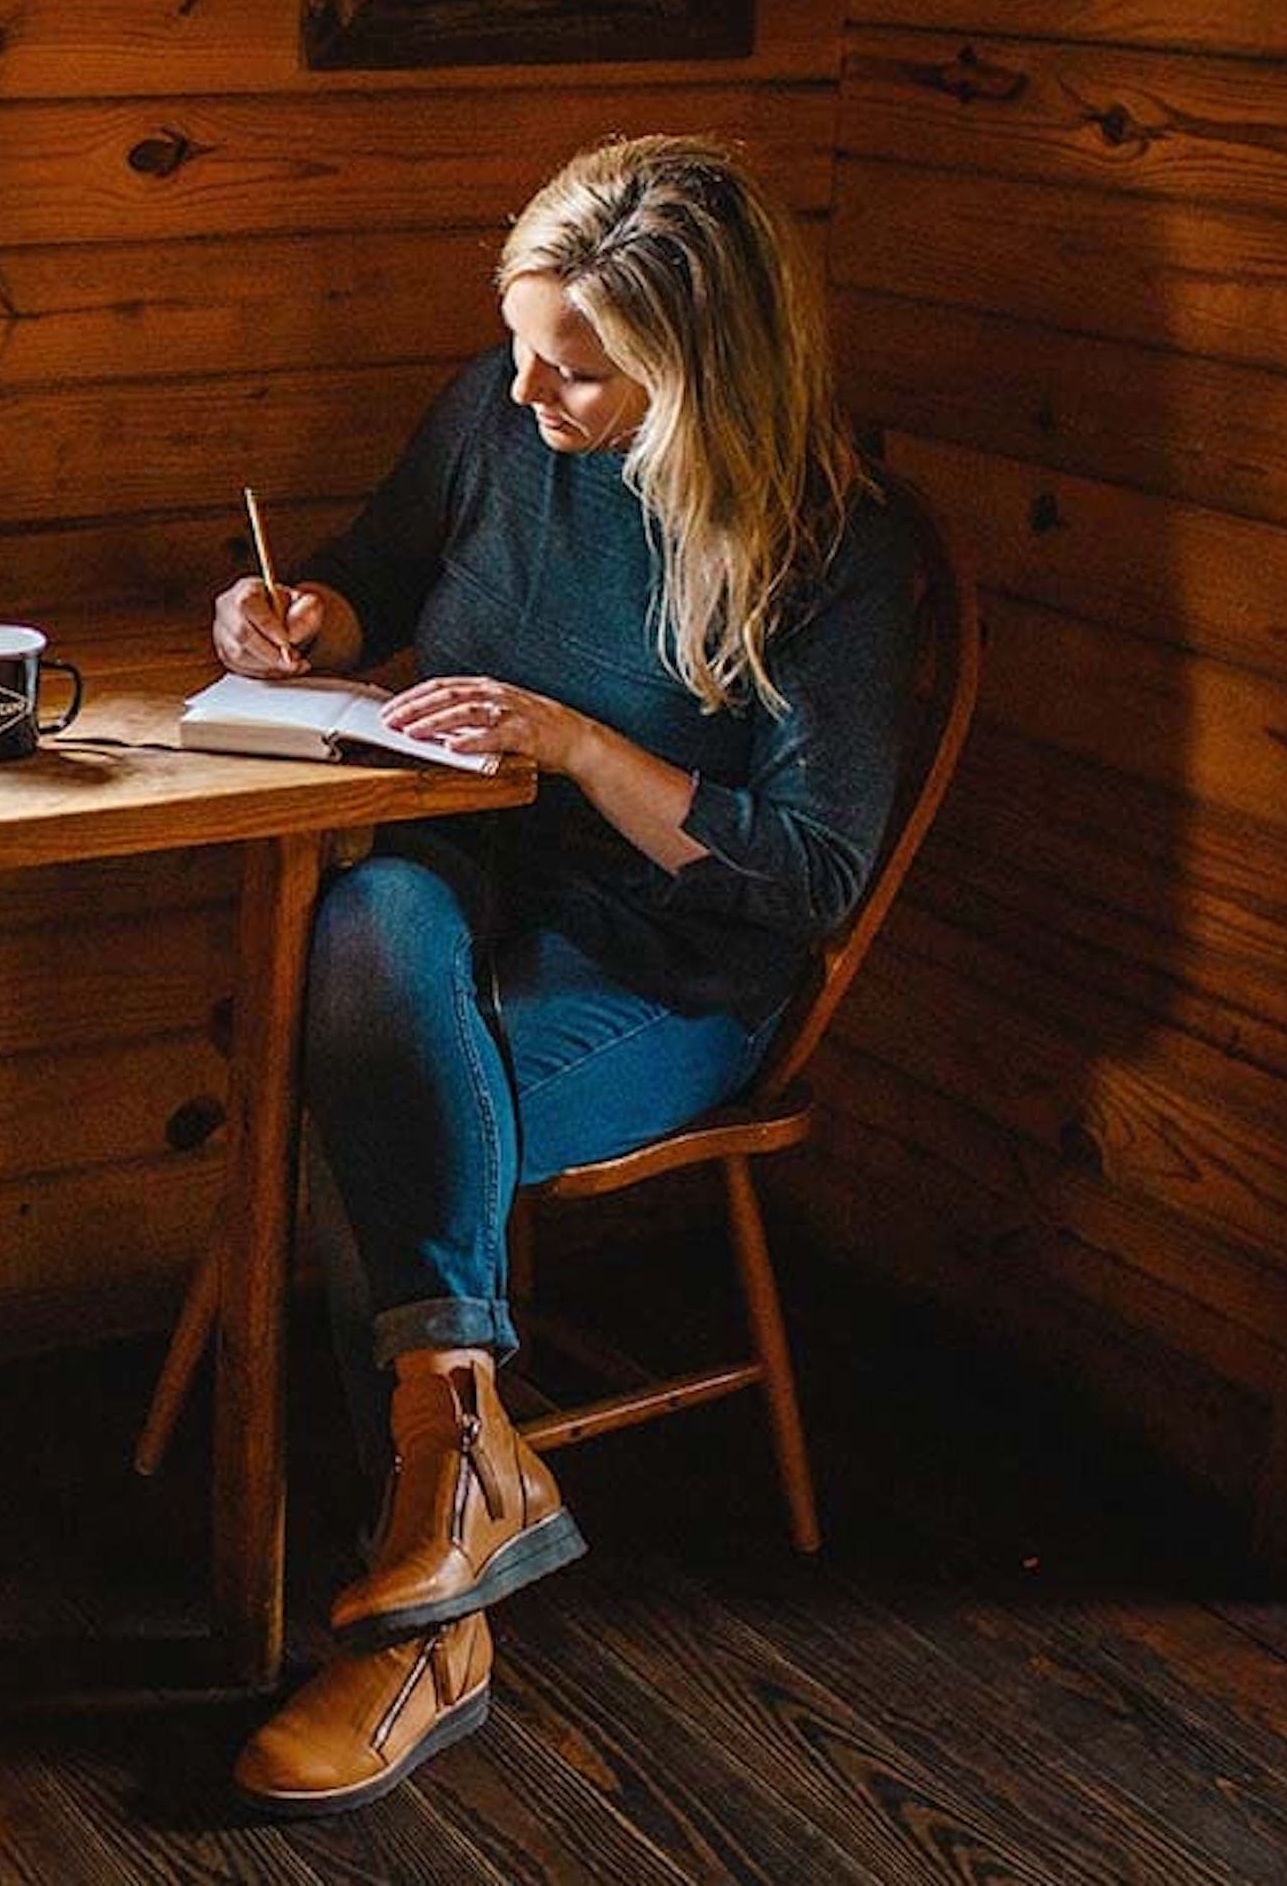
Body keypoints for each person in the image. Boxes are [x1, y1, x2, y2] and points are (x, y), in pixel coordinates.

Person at [209, 134, 914, 1815]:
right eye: (518, 342)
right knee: (372, 941)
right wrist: (301, 614)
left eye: (577, 370)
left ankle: (414, 1636)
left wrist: (580, 745)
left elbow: (810, 875)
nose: (526, 390)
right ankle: (455, 1504)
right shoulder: (495, 414)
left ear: (703, 371)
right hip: (458, 877)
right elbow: (379, 570)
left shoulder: (832, 547)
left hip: (668, 965)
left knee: (375, 1113)